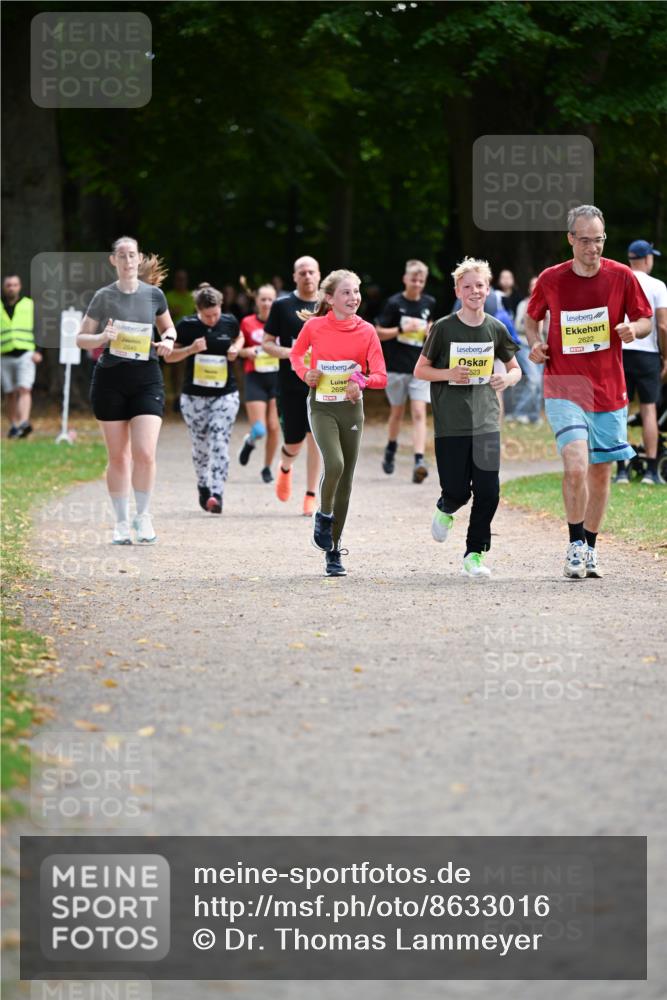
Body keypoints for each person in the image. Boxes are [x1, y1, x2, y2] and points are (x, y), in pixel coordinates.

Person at [524, 205, 652, 580]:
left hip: (609, 387)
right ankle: (575, 544)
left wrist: (636, 331)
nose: (593, 248)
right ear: (570, 239)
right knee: (576, 463)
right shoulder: (551, 279)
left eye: (598, 240)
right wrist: (534, 344)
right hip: (564, 384)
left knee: (600, 472)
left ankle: (591, 548)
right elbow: (532, 318)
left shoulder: (622, 275)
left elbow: (644, 319)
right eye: (585, 240)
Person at [414, 257, 520, 580]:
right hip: (451, 423)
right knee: (459, 491)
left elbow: (516, 369)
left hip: (486, 420)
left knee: (489, 491)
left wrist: (506, 380)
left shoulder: (496, 327)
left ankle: (474, 553)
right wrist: (448, 373)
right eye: (468, 286)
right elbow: (420, 370)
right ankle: (447, 506)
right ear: (458, 290)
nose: (475, 291)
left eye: (480, 286)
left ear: (488, 289)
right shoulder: (443, 328)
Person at [76, 236, 176, 544]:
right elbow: (81, 338)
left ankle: (143, 517)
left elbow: (169, 327)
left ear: (139, 258)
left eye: (132, 255)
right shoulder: (103, 296)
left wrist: (169, 341)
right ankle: (120, 522)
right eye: (122, 255)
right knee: (118, 456)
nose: (128, 260)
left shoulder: (153, 295)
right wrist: (102, 336)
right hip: (110, 380)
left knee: (144, 452)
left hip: (146, 377)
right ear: (113, 261)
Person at [290, 269, 387, 576]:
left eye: (356, 291)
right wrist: (306, 373)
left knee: (346, 479)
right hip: (322, 407)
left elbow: (380, 376)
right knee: (334, 464)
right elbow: (295, 355)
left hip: (351, 409)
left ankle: (333, 550)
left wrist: (361, 380)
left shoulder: (367, 331)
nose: (353, 297)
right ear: (329, 299)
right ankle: (324, 514)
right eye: (346, 292)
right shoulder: (315, 327)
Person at [165, 284, 243, 514]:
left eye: (216, 314)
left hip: (225, 394)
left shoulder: (229, 321)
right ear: (198, 310)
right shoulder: (187, 326)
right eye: (207, 316)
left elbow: (240, 338)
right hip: (194, 396)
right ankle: (203, 485)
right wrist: (190, 349)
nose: (212, 319)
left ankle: (217, 494)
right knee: (201, 446)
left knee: (219, 439)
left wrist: (235, 349)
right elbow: (169, 357)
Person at [262, 255, 322, 515]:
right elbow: (266, 343)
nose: (307, 276)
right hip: (290, 384)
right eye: (302, 272)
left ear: (319, 275)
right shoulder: (282, 305)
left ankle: (310, 495)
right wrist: (292, 353)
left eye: (311, 272)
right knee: (294, 442)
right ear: (295, 276)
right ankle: (285, 467)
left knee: (317, 440)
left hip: (322, 384)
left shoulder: (328, 304)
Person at [376, 260, 436, 483]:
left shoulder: (429, 302)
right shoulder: (393, 303)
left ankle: (419, 460)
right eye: (414, 279)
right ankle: (391, 447)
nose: (417, 284)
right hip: (396, 367)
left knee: (419, 413)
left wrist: (429, 332)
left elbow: (430, 329)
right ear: (405, 279)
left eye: (421, 280)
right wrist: (402, 329)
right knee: (397, 412)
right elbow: (379, 332)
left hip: (420, 367)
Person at [614, 240, 667, 486]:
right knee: (649, 409)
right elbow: (663, 326)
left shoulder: (618, 281)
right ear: (647, 259)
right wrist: (665, 356)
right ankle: (651, 472)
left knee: (619, 410)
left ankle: (622, 470)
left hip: (620, 351)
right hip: (647, 354)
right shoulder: (657, 285)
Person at [237, 283, 280, 482]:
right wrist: (246, 352)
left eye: (270, 299)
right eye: (263, 299)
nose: (266, 303)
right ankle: (251, 441)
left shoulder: (282, 322)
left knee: (274, 426)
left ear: (276, 301)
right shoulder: (247, 322)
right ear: (256, 301)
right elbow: (237, 348)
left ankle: (267, 468)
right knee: (260, 429)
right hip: (254, 377)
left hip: (277, 378)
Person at [1, 274, 42, 438]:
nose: (11, 288)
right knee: (10, 393)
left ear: (20, 287)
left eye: (15, 285)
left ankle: (24, 422)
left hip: (26, 353)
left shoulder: (29, 305)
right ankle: (14, 426)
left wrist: (38, 351)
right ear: (4, 287)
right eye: (9, 285)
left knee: (25, 388)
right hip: (4, 355)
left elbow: (39, 328)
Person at [510, 275, 545, 425]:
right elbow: (517, 326)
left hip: (543, 346)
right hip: (525, 345)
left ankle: (534, 416)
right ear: (529, 288)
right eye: (532, 285)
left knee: (540, 383)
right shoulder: (523, 304)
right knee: (533, 380)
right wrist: (531, 325)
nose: (535, 287)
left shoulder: (547, 304)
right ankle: (519, 412)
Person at [164, 268, 194, 412]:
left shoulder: (192, 297)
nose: (181, 282)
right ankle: (177, 396)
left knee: (189, 367)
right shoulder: (168, 296)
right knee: (176, 368)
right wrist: (170, 312)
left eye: (183, 279)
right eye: (178, 279)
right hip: (174, 337)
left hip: (192, 337)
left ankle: (188, 396)